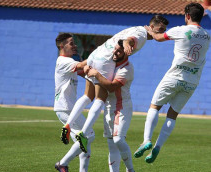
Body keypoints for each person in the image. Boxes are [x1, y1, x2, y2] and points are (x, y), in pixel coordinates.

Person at [61, 15, 169, 155]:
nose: (161, 33)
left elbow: (128, 38)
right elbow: (129, 40)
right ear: (152, 27)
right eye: (160, 29)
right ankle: (83, 133)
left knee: (88, 96)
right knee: (100, 99)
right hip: (106, 60)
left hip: (96, 54)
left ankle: (68, 125)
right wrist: (125, 44)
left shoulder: (137, 29)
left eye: (164, 30)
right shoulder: (142, 35)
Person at [134, 3, 211, 163]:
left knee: (155, 106)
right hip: (192, 81)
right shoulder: (207, 36)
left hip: (175, 76)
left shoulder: (180, 30)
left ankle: (146, 140)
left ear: (188, 16)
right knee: (172, 115)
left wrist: (149, 30)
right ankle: (157, 147)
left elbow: (158, 38)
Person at [85, 40, 136, 172]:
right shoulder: (110, 64)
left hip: (122, 107)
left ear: (126, 52)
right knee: (111, 143)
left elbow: (112, 87)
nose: (114, 52)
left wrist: (96, 74)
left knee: (118, 139)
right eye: (114, 49)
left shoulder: (127, 68)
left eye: (119, 51)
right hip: (108, 107)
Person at [53, 33, 98, 172]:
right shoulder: (63, 61)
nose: (74, 46)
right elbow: (80, 66)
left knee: (84, 141)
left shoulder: (67, 62)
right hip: (66, 108)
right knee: (88, 136)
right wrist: (97, 57)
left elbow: (81, 71)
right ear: (62, 46)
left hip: (66, 108)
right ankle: (62, 163)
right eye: (71, 43)